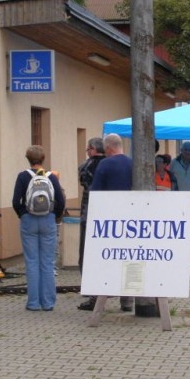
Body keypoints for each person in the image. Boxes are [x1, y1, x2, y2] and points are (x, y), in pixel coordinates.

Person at [12, 145, 66, 312]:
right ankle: (48, 303)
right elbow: (61, 201)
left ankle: (33, 303)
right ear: (43, 159)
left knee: (32, 261)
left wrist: (23, 214)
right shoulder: (51, 177)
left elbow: (16, 201)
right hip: (48, 220)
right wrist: (54, 215)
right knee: (47, 262)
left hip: (29, 220)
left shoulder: (22, 176)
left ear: (28, 159)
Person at [89, 133, 134, 312]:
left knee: (108, 258)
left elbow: (96, 193)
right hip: (131, 220)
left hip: (110, 221)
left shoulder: (105, 164)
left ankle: (100, 298)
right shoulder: (133, 163)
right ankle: (127, 300)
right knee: (128, 259)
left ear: (108, 148)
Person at [77, 137, 105, 311]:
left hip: (88, 213)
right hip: (108, 214)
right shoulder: (110, 164)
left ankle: (91, 290)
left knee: (86, 253)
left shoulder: (86, 166)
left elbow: (84, 181)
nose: (87, 152)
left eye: (88, 149)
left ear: (93, 149)